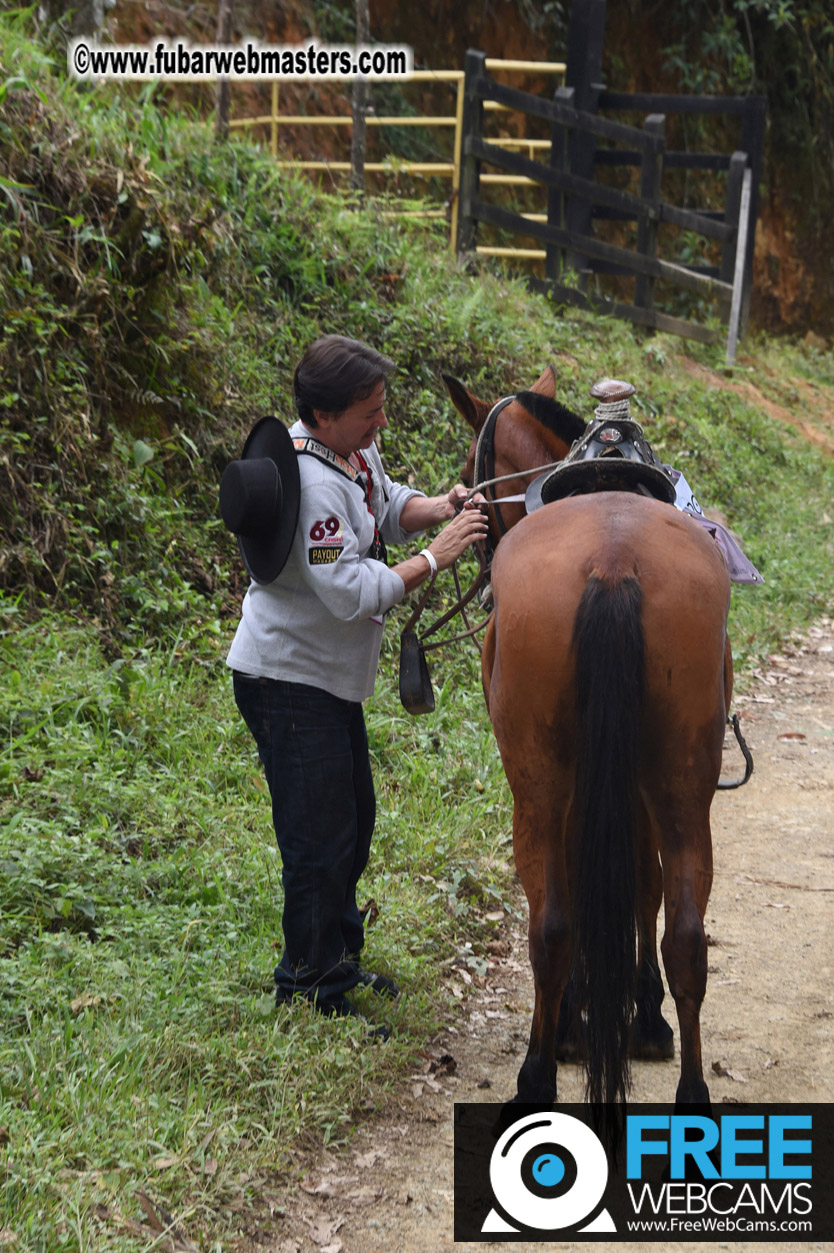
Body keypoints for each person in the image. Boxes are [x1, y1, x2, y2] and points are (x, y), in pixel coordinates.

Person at [225, 335, 487, 1036]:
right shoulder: (312, 486)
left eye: (381, 409)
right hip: (287, 678)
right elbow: (347, 589)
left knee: (354, 820)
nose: (380, 424)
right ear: (324, 412)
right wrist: (435, 557)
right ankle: (309, 985)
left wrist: (436, 507)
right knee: (319, 836)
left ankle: (334, 955)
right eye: (369, 412)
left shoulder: (350, 452)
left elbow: (385, 497)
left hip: (329, 680)